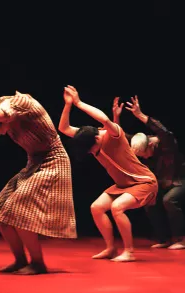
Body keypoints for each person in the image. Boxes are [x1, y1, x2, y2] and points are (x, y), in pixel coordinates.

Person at [0, 57, 76, 275]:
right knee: (0, 211)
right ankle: (20, 260)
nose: (2, 136)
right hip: (34, 162)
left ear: (5, 122)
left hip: (54, 162)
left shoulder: (19, 105)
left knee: (17, 210)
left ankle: (38, 263)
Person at [58, 85, 158, 262]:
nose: (90, 152)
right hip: (123, 185)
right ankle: (111, 248)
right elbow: (64, 129)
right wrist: (68, 105)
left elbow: (104, 119)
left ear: (97, 138)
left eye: (91, 149)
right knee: (96, 208)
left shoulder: (114, 136)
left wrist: (79, 103)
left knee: (117, 207)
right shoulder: (87, 137)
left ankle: (129, 251)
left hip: (143, 182)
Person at [112, 96, 185, 250]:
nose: (144, 158)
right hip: (164, 182)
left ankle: (182, 239)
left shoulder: (166, 143)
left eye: (145, 154)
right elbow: (121, 137)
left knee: (169, 200)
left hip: (183, 180)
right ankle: (164, 239)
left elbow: (164, 131)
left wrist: (140, 115)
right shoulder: (139, 143)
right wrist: (116, 116)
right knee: (148, 200)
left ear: (151, 144)